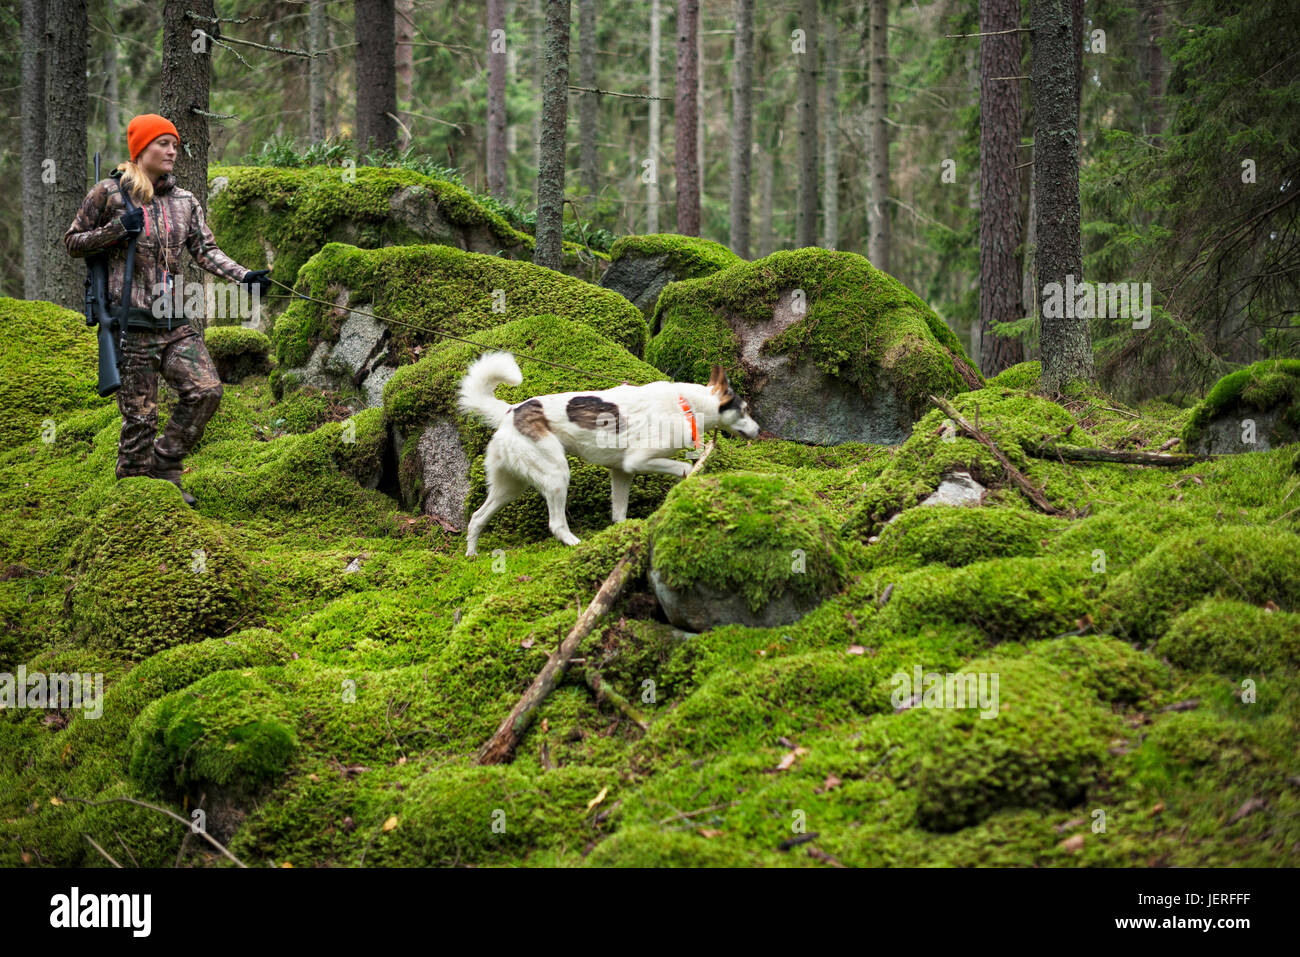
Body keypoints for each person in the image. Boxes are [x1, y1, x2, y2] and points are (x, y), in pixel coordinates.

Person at [64, 113, 271, 507]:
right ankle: (136, 496)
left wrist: (244, 277)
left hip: (174, 319)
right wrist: (115, 230)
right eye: (163, 143)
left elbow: (206, 251)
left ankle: (166, 463)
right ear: (141, 149)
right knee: (140, 421)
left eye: (175, 144)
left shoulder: (184, 201)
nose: (172, 150)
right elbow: (73, 242)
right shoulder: (108, 194)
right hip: (130, 326)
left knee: (206, 391)